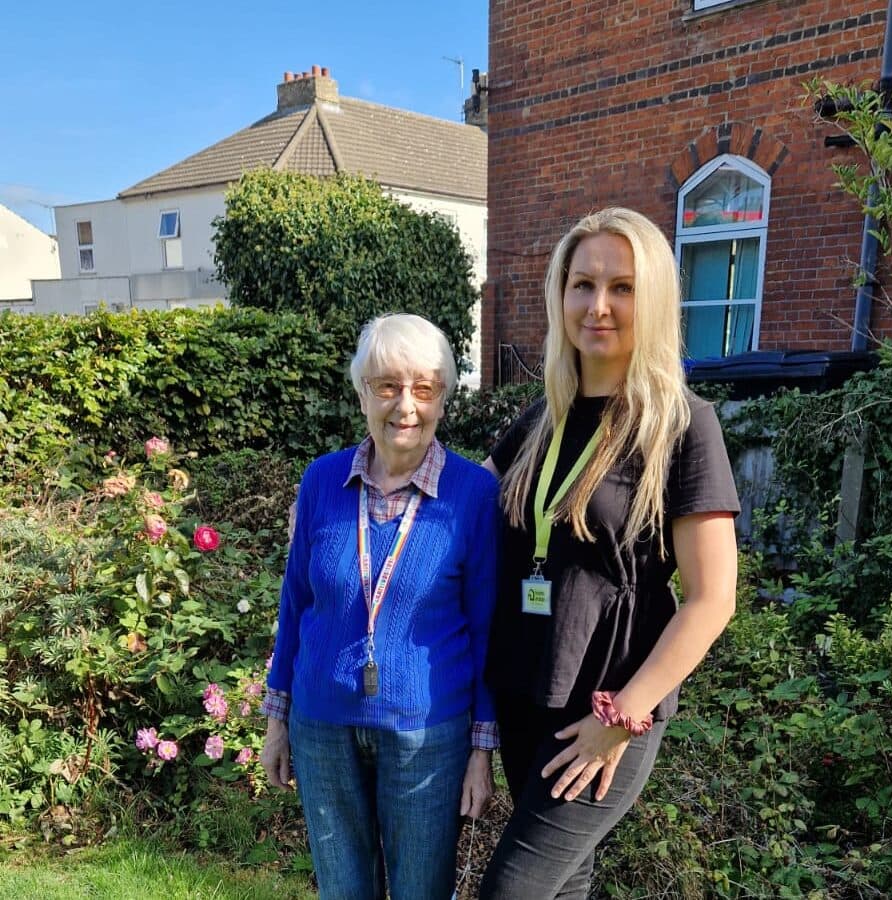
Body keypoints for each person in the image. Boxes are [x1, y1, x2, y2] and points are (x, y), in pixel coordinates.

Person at [479, 208, 740, 899]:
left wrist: (620, 717)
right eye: (582, 284)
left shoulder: (682, 426)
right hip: (525, 690)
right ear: (559, 295)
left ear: (651, 300)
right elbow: (455, 506)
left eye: (622, 288)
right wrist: (346, 489)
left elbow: (714, 598)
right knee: (566, 885)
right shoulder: (540, 421)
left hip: (608, 705)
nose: (598, 306)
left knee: (513, 891)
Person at [260, 313, 500, 900]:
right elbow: (295, 603)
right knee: (342, 891)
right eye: (387, 386)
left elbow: (490, 628)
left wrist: (481, 749)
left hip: (428, 731)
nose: (405, 406)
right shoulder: (320, 481)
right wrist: (276, 717)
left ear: (444, 397)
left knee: (422, 891)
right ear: (362, 391)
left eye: (424, 388)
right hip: (321, 724)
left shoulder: (474, 494)